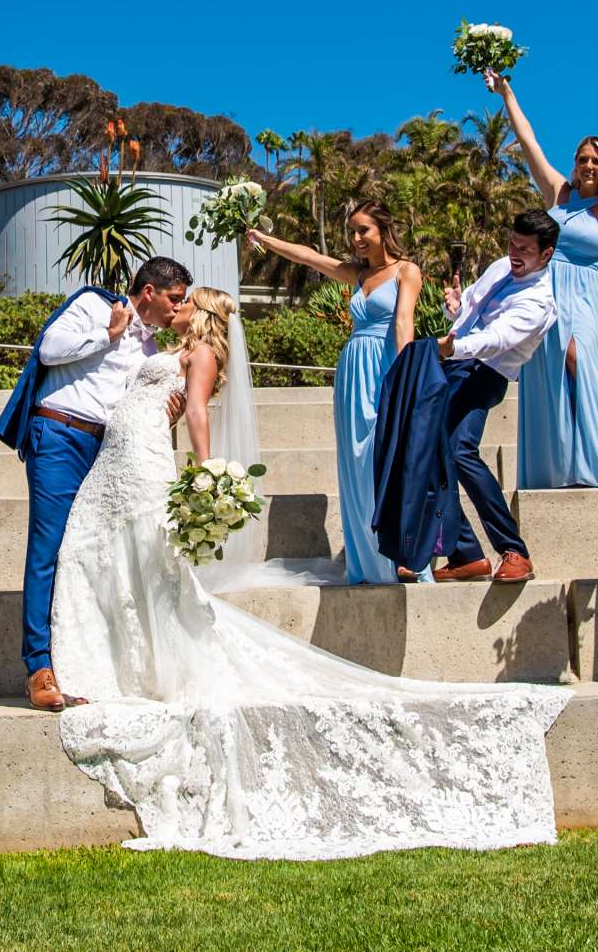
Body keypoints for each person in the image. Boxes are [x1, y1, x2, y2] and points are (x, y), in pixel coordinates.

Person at [48, 285, 569, 858]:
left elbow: (196, 410)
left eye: (186, 302)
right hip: (124, 454)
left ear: (204, 313)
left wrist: (202, 473)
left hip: (142, 459)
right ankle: (119, 660)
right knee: (111, 556)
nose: (178, 309)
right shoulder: (172, 349)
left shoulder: (200, 354)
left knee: (149, 566)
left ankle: (140, 669)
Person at [0, 257, 190, 710]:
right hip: (61, 436)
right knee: (48, 550)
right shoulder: (92, 304)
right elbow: (49, 350)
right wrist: (108, 333)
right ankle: (39, 667)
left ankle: (79, 662)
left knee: (84, 555)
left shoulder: (150, 351)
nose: (176, 310)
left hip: (108, 453)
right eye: (173, 299)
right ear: (148, 293)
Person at [489, 72, 598, 488]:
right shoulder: (560, 194)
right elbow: (528, 142)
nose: (587, 165)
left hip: (583, 294)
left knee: (577, 363)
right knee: (544, 372)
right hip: (543, 292)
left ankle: (595, 464)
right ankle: (553, 470)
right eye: (583, 158)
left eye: (595, 160)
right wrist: (508, 92)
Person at [246, 205, 422, 583]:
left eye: (363, 231)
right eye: (352, 232)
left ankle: (399, 553)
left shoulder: (406, 271)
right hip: (353, 370)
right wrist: (264, 239)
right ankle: (367, 561)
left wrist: (405, 377)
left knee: (386, 458)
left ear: (383, 229)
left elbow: (404, 322)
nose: (356, 239)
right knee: (357, 463)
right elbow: (309, 257)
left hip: (387, 365)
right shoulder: (357, 273)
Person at [429, 210, 562, 584]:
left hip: (483, 373)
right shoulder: (501, 266)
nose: (514, 253)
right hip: (456, 365)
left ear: (546, 254)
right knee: (438, 454)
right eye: (512, 243)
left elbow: (495, 339)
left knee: (456, 452)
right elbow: (470, 307)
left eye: (525, 249)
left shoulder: (538, 302)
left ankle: (513, 552)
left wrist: (448, 349)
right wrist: (453, 306)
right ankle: (466, 554)